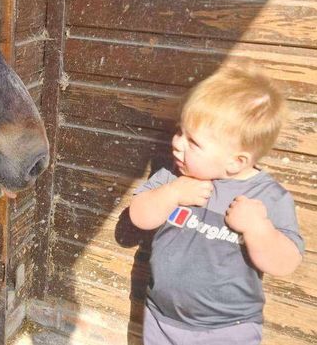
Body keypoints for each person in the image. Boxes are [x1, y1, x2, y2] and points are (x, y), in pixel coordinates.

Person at [129, 71, 304, 345]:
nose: (176, 143)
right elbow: (139, 216)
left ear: (235, 162)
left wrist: (258, 228)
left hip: (227, 330)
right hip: (162, 318)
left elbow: (285, 263)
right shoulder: (173, 178)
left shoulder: (267, 197)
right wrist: (172, 194)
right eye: (179, 131)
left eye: (193, 142)